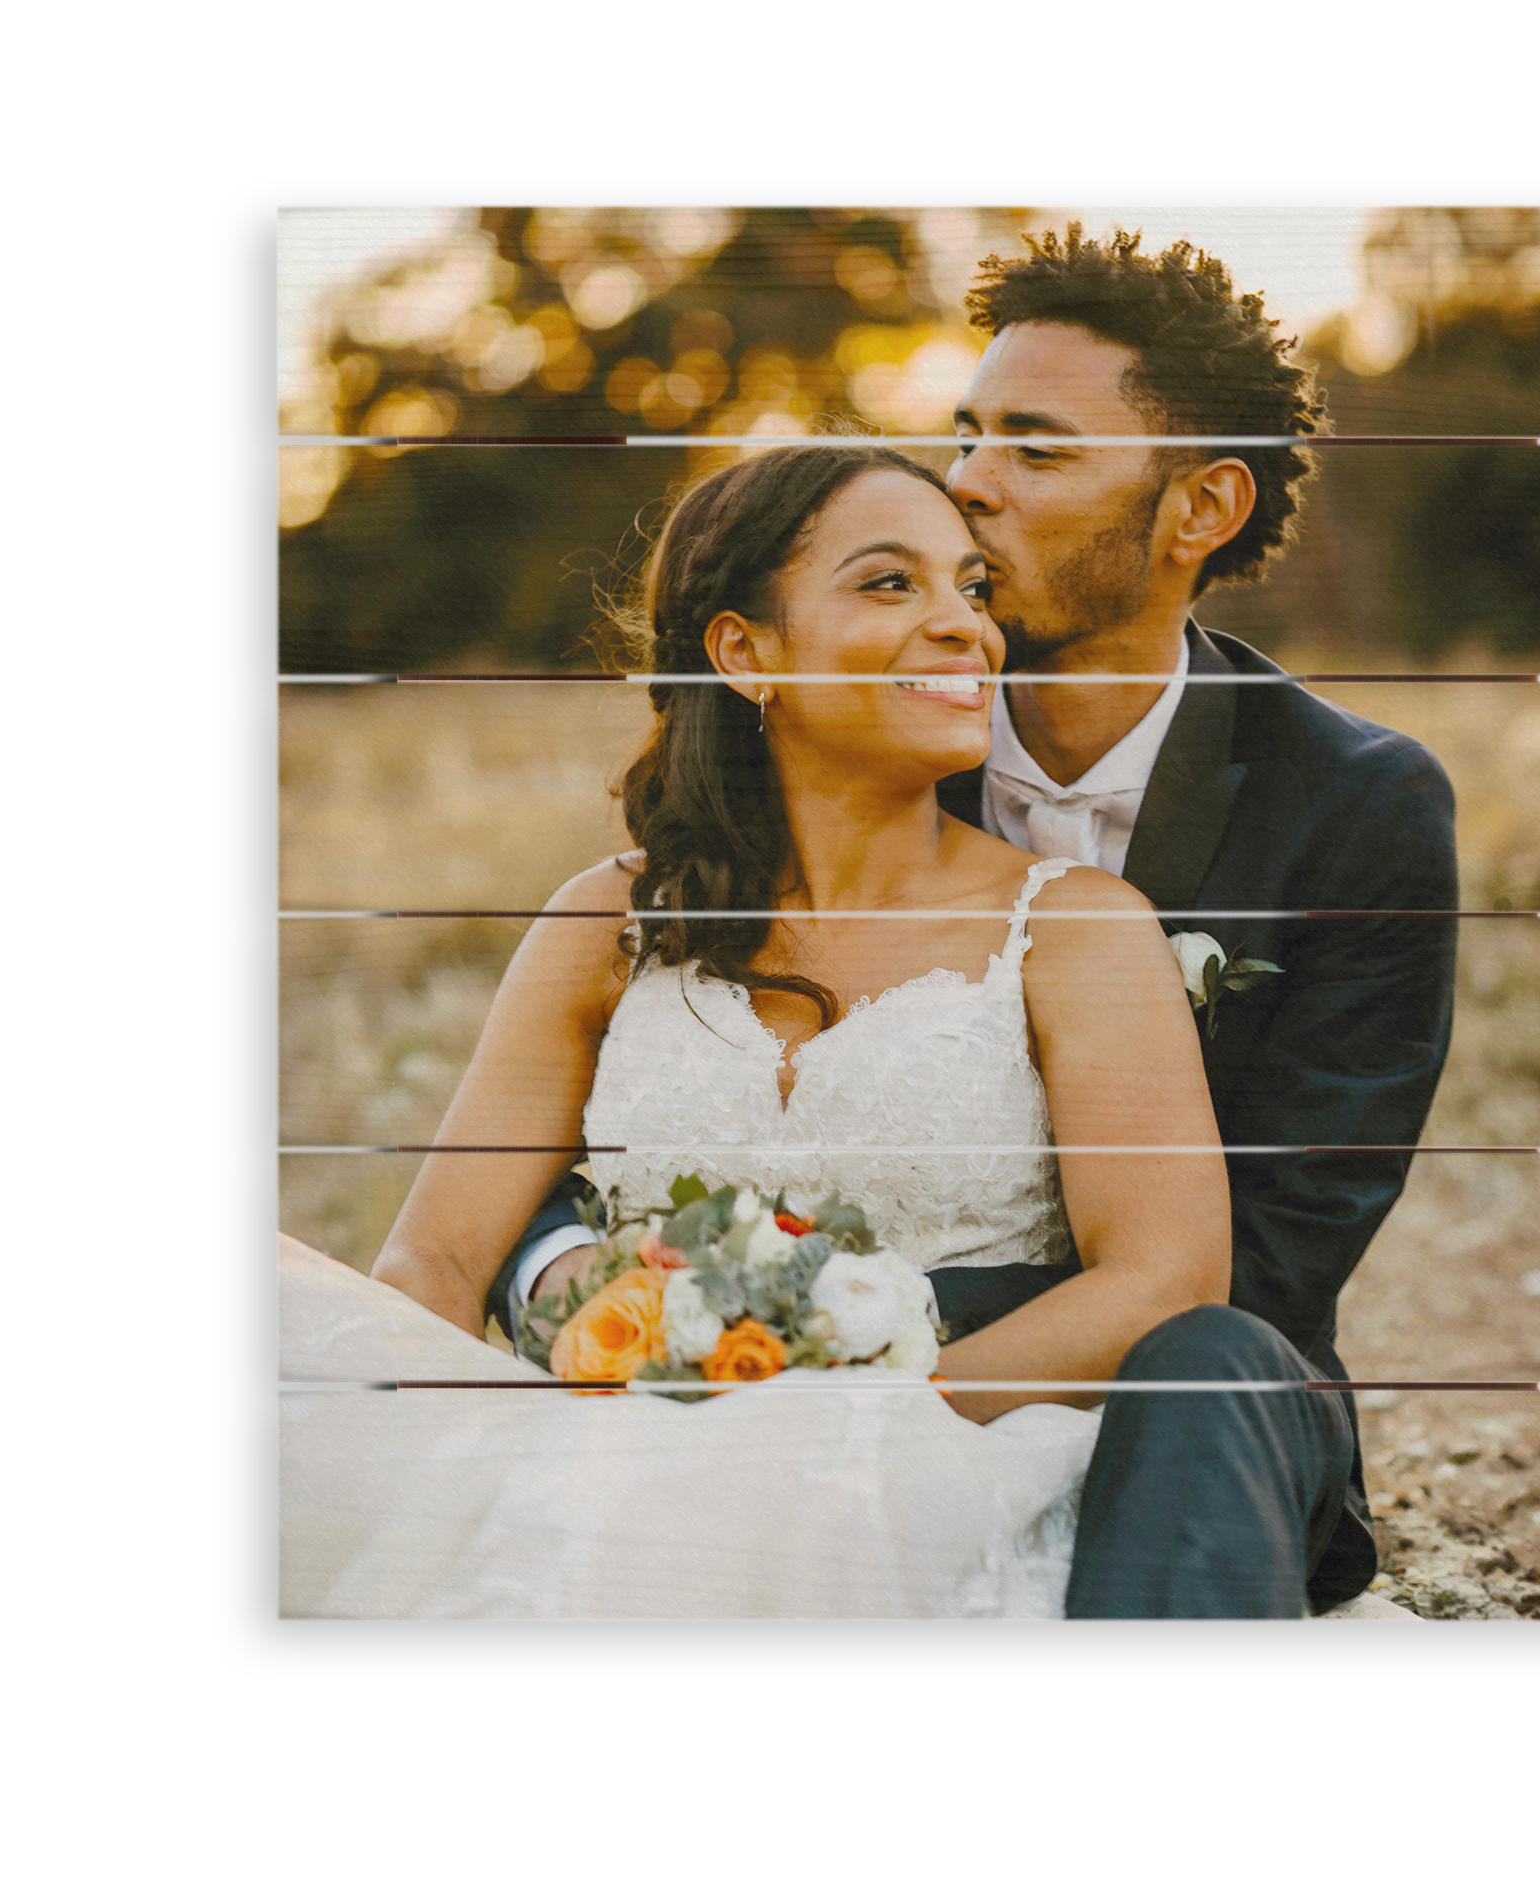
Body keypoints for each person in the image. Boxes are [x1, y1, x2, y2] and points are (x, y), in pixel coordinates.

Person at [491, 227, 1460, 1614]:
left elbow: (1279, 1242)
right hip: (719, 1377)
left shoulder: (1354, 805)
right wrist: (630, 1299)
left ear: (1203, 508)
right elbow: (590, 1114)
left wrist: (838, 1332)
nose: (969, 485)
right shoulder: (863, 732)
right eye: (968, 435)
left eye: (1038, 449)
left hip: (1173, 1401)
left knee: (1206, 1346)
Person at [279, 440, 1362, 1622]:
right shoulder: (607, 919)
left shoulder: (1077, 929)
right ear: (745, 651)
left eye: (972, 587)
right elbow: (434, 1260)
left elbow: (1159, 1278)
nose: (964, 626)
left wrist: (846, 1429)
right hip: (632, 1458)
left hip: (964, 1452)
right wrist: (477, 1463)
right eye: (890, 583)